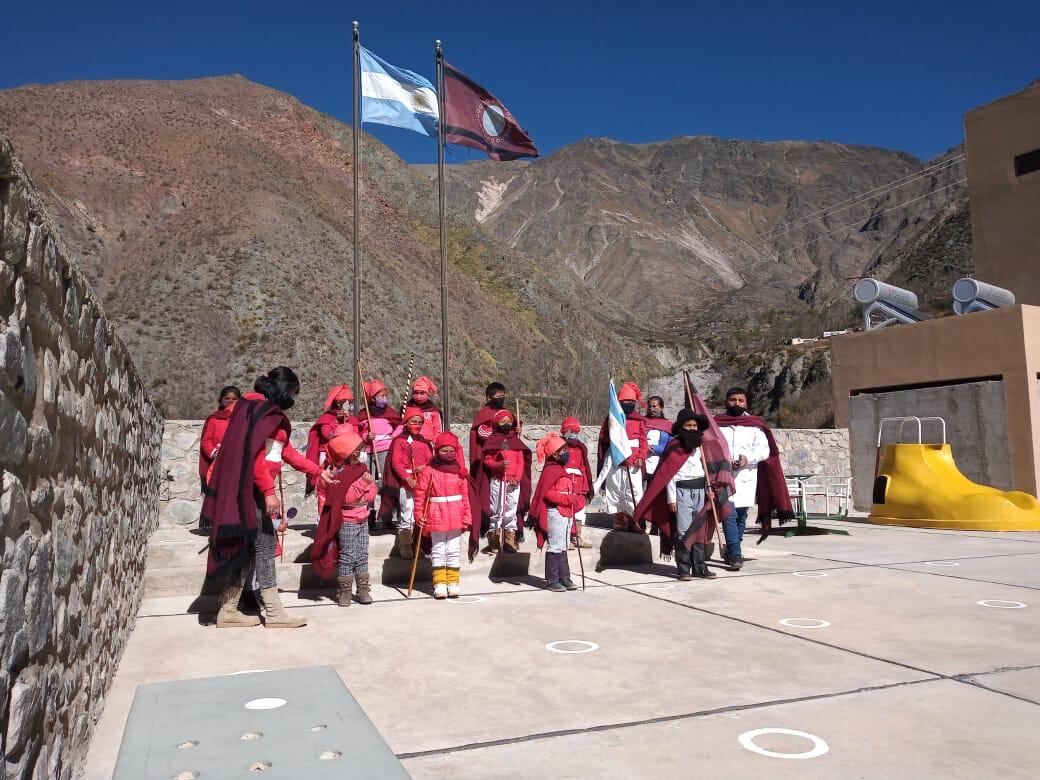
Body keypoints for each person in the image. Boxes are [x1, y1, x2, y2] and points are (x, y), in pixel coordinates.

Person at [202, 367, 337, 628]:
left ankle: (229, 610)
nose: (293, 399)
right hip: (251, 493)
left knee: (250, 551)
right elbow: (255, 459)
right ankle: (273, 613)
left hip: (252, 492)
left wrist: (318, 471)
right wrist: (268, 492)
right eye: (292, 393)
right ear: (283, 390)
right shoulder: (261, 413)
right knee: (263, 549)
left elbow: (285, 452)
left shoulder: (257, 413)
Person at [631, 410, 734, 580]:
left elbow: (708, 470)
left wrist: (710, 487)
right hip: (681, 491)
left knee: (700, 529)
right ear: (681, 428)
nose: (693, 429)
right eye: (689, 426)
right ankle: (684, 568)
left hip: (701, 489)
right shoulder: (674, 446)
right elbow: (667, 475)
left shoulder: (702, 447)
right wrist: (671, 498)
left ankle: (700, 567)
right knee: (684, 530)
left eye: (695, 426)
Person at [715, 387, 796, 556]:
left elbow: (764, 450)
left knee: (740, 516)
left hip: (746, 477)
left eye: (740, 400)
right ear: (726, 401)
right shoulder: (716, 424)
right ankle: (736, 554)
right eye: (733, 400)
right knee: (728, 515)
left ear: (746, 403)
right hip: (724, 476)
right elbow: (711, 447)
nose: (736, 403)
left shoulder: (755, 425)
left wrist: (747, 458)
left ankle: (732, 549)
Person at [310, 430, 377, 607]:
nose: (361, 452)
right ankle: (344, 592)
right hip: (347, 520)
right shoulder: (338, 475)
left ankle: (363, 589)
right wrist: (364, 484)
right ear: (351, 452)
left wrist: (365, 491)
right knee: (348, 555)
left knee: (362, 554)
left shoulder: (362, 469)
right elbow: (346, 498)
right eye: (359, 449)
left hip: (363, 518)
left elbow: (372, 493)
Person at [414, 432, 474, 599]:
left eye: (452, 451)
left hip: (456, 514)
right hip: (435, 514)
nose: (448, 454)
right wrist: (419, 515)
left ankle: (453, 582)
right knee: (439, 550)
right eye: (444, 451)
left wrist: (467, 517)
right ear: (436, 451)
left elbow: (465, 496)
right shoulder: (428, 471)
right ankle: (440, 583)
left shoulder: (459, 472)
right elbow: (420, 495)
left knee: (454, 550)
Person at [380, 406, 434, 559]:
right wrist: (406, 478)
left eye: (419, 422)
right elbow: (396, 463)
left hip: (423, 483)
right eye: (413, 421)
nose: (417, 424)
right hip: (407, 484)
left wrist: (423, 466)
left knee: (422, 515)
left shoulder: (424, 442)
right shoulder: (399, 441)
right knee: (407, 514)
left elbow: (431, 460)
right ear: (406, 422)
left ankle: (420, 545)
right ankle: (405, 546)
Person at [477, 408, 532, 553]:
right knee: (496, 509)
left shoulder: (516, 441)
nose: (506, 424)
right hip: (498, 480)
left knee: (511, 511)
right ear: (496, 423)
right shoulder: (492, 441)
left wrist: (517, 479)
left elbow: (521, 462)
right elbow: (487, 461)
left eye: (509, 421)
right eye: (503, 421)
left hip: (513, 483)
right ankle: (495, 540)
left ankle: (509, 539)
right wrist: (499, 465)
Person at [530, 432, 579, 592]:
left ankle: (564, 576)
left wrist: (573, 498)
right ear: (555, 455)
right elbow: (548, 493)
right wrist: (567, 500)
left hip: (566, 513)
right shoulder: (551, 470)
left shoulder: (561, 470)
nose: (567, 453)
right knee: (556, 546)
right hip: (555, 513)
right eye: (563, 451)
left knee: (564, 545)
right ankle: (552, 579)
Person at [597, 382, 649, 529]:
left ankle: (634, 521)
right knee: (615, 489)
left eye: (632, 402)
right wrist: (614, 440)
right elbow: (603, 437)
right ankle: (618, 519)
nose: (629, 404)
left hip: (634, 461)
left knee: (635, 491)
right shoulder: (612, 418)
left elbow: (643, 441)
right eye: (626, 401)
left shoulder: (639, 420)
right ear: (619, 402)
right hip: (616, 459)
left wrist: (641, 457)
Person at [305, 384, 357, 517]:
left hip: (346, 456)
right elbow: (327, 434)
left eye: (351, 402)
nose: (350, 405)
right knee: (326, 488)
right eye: (347, 403)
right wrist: (337, 422)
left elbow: (356, 435)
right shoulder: (327, 418)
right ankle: (324, 518)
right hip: (328, 456)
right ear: (338, 404)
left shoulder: (352, 419)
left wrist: (347, 423)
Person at [355, 379, 403, 480]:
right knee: (366, 478)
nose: (385, 398)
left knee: (385, 476)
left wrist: (394, 435)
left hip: (385, 448)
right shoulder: (364, 414)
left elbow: (400, 425)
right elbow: (358, 431)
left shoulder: (390, 412)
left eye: (386, 396)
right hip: (368, 450)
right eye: (382, 396)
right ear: (373, 398)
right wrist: (366, 436)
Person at [199, 385, 241, 495]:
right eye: (227, 398)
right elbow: (206, 441)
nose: (231, 401)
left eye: (234, 399)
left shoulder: (244, 420)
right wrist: (216, 453)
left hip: (238, 464)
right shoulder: (214, 420)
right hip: (218, 465)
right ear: (221, 401)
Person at [560, 417, 594, 548]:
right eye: (571, 430)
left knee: (579, 511)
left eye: (576, 430)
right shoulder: (559, 445)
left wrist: (586, 486)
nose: (574, 433)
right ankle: (565, 537)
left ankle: (577, 536)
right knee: (566, 511)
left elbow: (584, 467)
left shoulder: (581, 448)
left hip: (579, 484)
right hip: (565, 482)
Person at [469, 382, 508, 478]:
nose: (501, 398)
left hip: (504, 451)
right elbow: (481, 432)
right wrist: (497, 435)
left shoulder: (505, 412)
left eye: (503, 396)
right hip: (489, 453)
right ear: (489, 397)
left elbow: (510, 427)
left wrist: (515, 429)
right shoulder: (484, 412)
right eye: (498, 396)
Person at [644, 395, 673, 479]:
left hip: (659, 464)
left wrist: (654, 448)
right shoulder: (641, 421)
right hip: (641, 462)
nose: (651, 409)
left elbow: (670, 445)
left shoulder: (668, 425)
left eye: (654, 406)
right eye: (649, 406)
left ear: (661, 407)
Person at [409, 376, 444, 440]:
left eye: (422, 393)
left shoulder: (434, 411)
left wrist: (435, 443)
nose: (419, 396)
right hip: (410, 443)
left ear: (427, 394)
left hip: (428, 443)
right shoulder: (407, 408)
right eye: (416, 393)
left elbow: (437, 430)